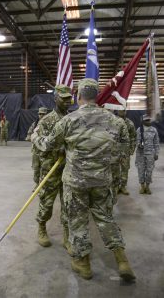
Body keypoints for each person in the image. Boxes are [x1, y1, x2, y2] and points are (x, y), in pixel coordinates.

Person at [32, 78, 136, 282]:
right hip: (102, 181)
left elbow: (47, 145)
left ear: (79, 96)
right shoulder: (116, 121)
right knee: (105, 219)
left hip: (76, 182)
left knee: (78, 221)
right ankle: (122, 260)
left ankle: (84, 265)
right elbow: (123, 152)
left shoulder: (69, 121)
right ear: (96, 95)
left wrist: (36, 135)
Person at [32, 85, 72, 249]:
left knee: (68, 204)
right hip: (51, 170)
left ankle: (67, 235)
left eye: (69, 98)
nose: (67, 101)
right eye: (63, 98)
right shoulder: (46, 121)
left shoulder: (73, 119)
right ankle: (41, 227)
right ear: (55, 98)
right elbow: (39, 147)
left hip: (69, 170)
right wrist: (57, 149)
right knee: (46, 203)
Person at [135, 114, 160, 194]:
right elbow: (136, 140)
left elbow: (156, 142)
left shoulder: (154, 130)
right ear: (143, 121)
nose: (148, 121)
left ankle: (147, 187)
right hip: (140, 153)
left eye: (149, 120)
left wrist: (156, 153)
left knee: (149, 171)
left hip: (150, 154)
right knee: (141, 170)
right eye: (146, 120)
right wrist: (139, 144)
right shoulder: (139, 130)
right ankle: (142, 187)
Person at [26, 107, 48, 185]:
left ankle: (44, 185)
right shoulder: (35, 124)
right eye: (40, 114)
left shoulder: (49, 124)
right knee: (36, 168)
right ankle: (37, 185)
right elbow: (28, 135)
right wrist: (32, 138)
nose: (41, 115)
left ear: (46, 114)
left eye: (43, 114)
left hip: (45, 151)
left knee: (45, 169)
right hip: (36, 151)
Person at [117, 110, 136, 195]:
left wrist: (132, 149)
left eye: (123, 110)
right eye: (120, 110)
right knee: (115, 168)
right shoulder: (113, 121)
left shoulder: (130, 123)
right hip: (115, 150)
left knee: (125, 168)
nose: (122, 112)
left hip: (125, 150)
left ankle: (123, 186)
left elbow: (133, 137)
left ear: (126, 111)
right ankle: (116, 186)